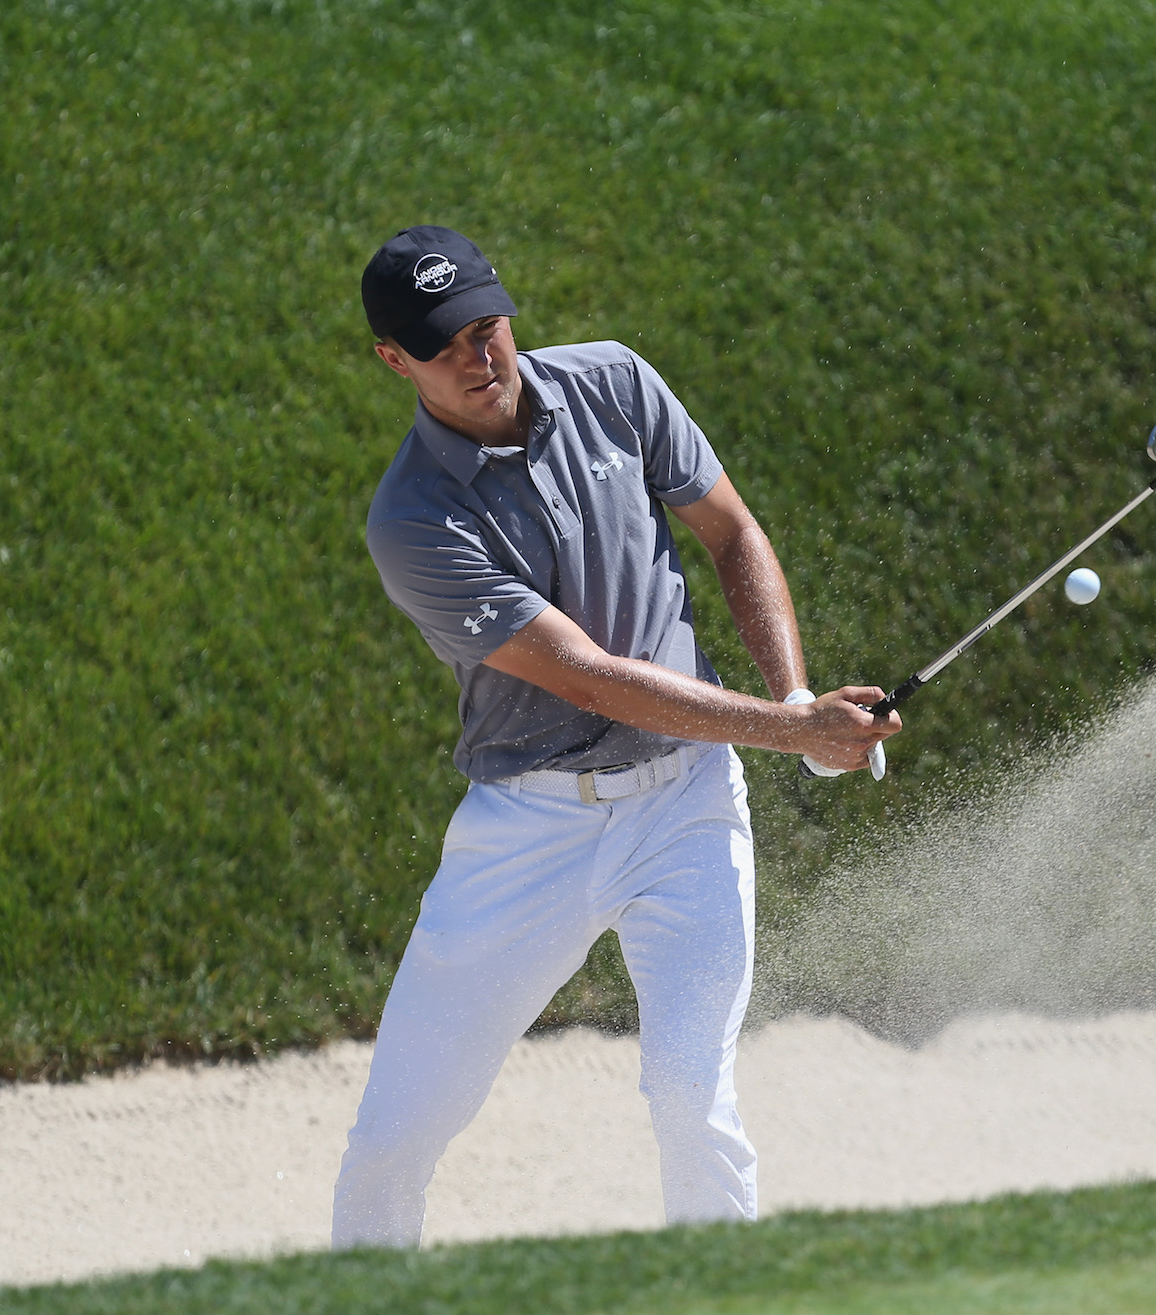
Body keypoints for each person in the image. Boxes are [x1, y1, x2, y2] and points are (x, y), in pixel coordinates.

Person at [332, 225, 898, 1248]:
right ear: (394, 360)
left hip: (686, 808)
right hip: (528, 832)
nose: (478, 355)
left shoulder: (614, 384)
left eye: (486, 324)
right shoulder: (413, 522)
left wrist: (799, 699)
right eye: (445, 343)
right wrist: (789, 729)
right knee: (394, 1133)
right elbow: (590, 679)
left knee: (692, 1098)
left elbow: (732, 533)